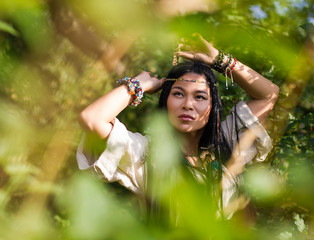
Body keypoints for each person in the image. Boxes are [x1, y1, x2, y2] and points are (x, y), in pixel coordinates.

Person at [76, 35, 279, 219]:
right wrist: (139, 84)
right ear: (166, 102)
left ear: (212, 106)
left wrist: (219, 60)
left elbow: (269, 95)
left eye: (199, 97)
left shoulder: (226, 143)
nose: (188, 104)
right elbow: (92, 119)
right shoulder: (147, 154)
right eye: (178, 94)